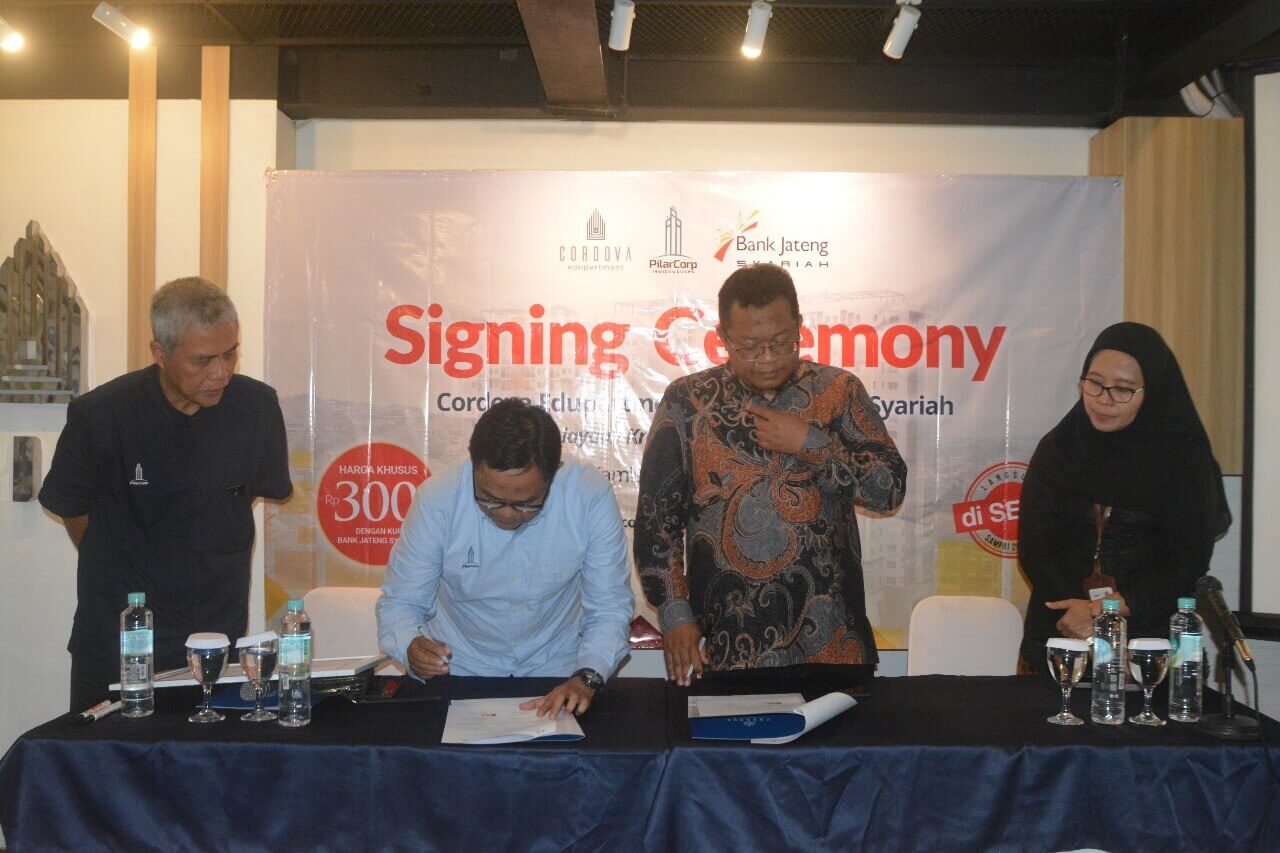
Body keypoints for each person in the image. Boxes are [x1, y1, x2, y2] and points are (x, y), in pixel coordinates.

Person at [634, 263, 908, 684]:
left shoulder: (838, 391)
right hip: (725, 645)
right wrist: (674, 611)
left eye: (781, 343)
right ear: (724, 337)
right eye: (749, 346)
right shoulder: (688, 401)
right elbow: (658, 518)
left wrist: (811, 444)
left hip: (832, 642)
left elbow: (888, 490)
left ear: (799, 325)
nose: (767, 359)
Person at [40, 277, 293, 712]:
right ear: (159, 353)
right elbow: (72, 510)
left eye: (230, 353)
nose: (221, 372)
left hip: (217, 642)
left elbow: (243, 496)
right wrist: (128, 564)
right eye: (203, 360)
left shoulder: (256, 407)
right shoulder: (101, 415)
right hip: (120, 643)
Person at [377, 399, 632, 718]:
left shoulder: (587, 495)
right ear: (473, 464)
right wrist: (409, 646)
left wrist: (588, 677)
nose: (507, 514)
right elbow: (402, 603)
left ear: (554, 473)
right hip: (458, 671)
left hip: (559, 674)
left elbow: (609, 606)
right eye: (490, 500)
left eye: (526, 503)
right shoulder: (437, 500)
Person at [1017, 322, 1231, 674]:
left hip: (1149, 641)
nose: (1104, 399)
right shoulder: (1059, 448)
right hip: (1063, 630)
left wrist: (1105, 611)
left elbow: (1187, 560)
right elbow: (1036, 548)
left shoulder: (1185, 460)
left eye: (1123, 389)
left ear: (1153, 391)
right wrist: (1078, 611)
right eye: (1094, 382)